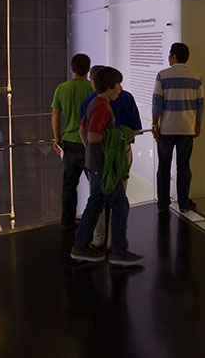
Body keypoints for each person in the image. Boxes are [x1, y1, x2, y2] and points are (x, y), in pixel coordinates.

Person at [71, 66, 143, 265]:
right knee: (120, 204)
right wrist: (117, 136)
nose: (120, 88)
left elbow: (83, 131)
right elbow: (93, 135)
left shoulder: (94, 102)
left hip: (96, 162)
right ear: (109, 87)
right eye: (117, 84)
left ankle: (82, 246)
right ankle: (118, 251)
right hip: (105, 164)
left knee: (95, 203)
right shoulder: (102, 105)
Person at [152, 42, 204, 213]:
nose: (168, 57)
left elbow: (157, 102)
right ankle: (184, 203)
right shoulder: (196, 77)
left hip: (166, 128)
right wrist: (198, 123)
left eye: (169, 54)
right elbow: (200, 104)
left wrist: (155, 124)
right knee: (184, 167)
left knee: (164, 167)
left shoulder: (163, 75)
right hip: (187, 128)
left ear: (174, 56)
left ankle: (163, 203)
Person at [51, 53, 93, 228]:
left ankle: (67, 221)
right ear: (88, 69)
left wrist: (57, 138)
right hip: (89, 144)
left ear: (72, 69)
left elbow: (55, 115)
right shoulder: (92, 89)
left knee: (69, 185)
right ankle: (95, 221)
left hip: (68, 142)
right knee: (96, 185)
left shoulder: (62, 88)